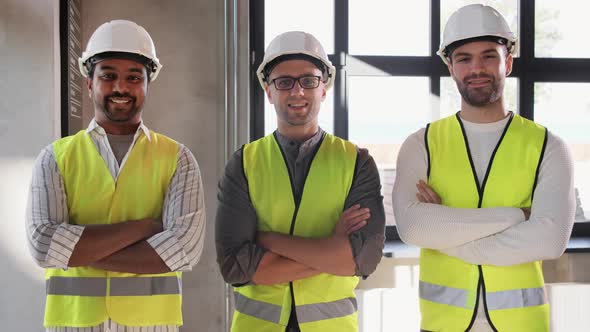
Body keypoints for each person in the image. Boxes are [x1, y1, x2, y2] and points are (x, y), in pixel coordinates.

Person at [393, 4, 576, 332]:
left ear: (507, 61)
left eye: (489, 56)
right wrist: (517, 216)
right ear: (450, 67)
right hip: (442, 325)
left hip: (521, 324)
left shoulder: (549, 146)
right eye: (464, 58)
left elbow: (550, 240)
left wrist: (445, 229)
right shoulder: (421, 144)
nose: (477, 68)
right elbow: (413, 228)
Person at [25, 20, 205, 332]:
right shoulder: (55, 158)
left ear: (148, 83)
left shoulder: (178, 159)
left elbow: (183, 250)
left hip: (151, 327)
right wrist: (144, 228)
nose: (121, 87)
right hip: (74, 325)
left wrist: (77, 253)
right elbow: (43, 245)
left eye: (133, 77)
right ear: (89, 82)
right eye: (108, 76)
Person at [215, 31, 385, 332]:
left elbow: (363, 259)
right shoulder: (243, 163)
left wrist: (266, 239)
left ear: (324, 89)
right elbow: (234, 266)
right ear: (268, 91)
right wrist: (332, 248)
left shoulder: (357, 163)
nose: (297, 91)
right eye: (284, 82)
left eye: (309, 80)